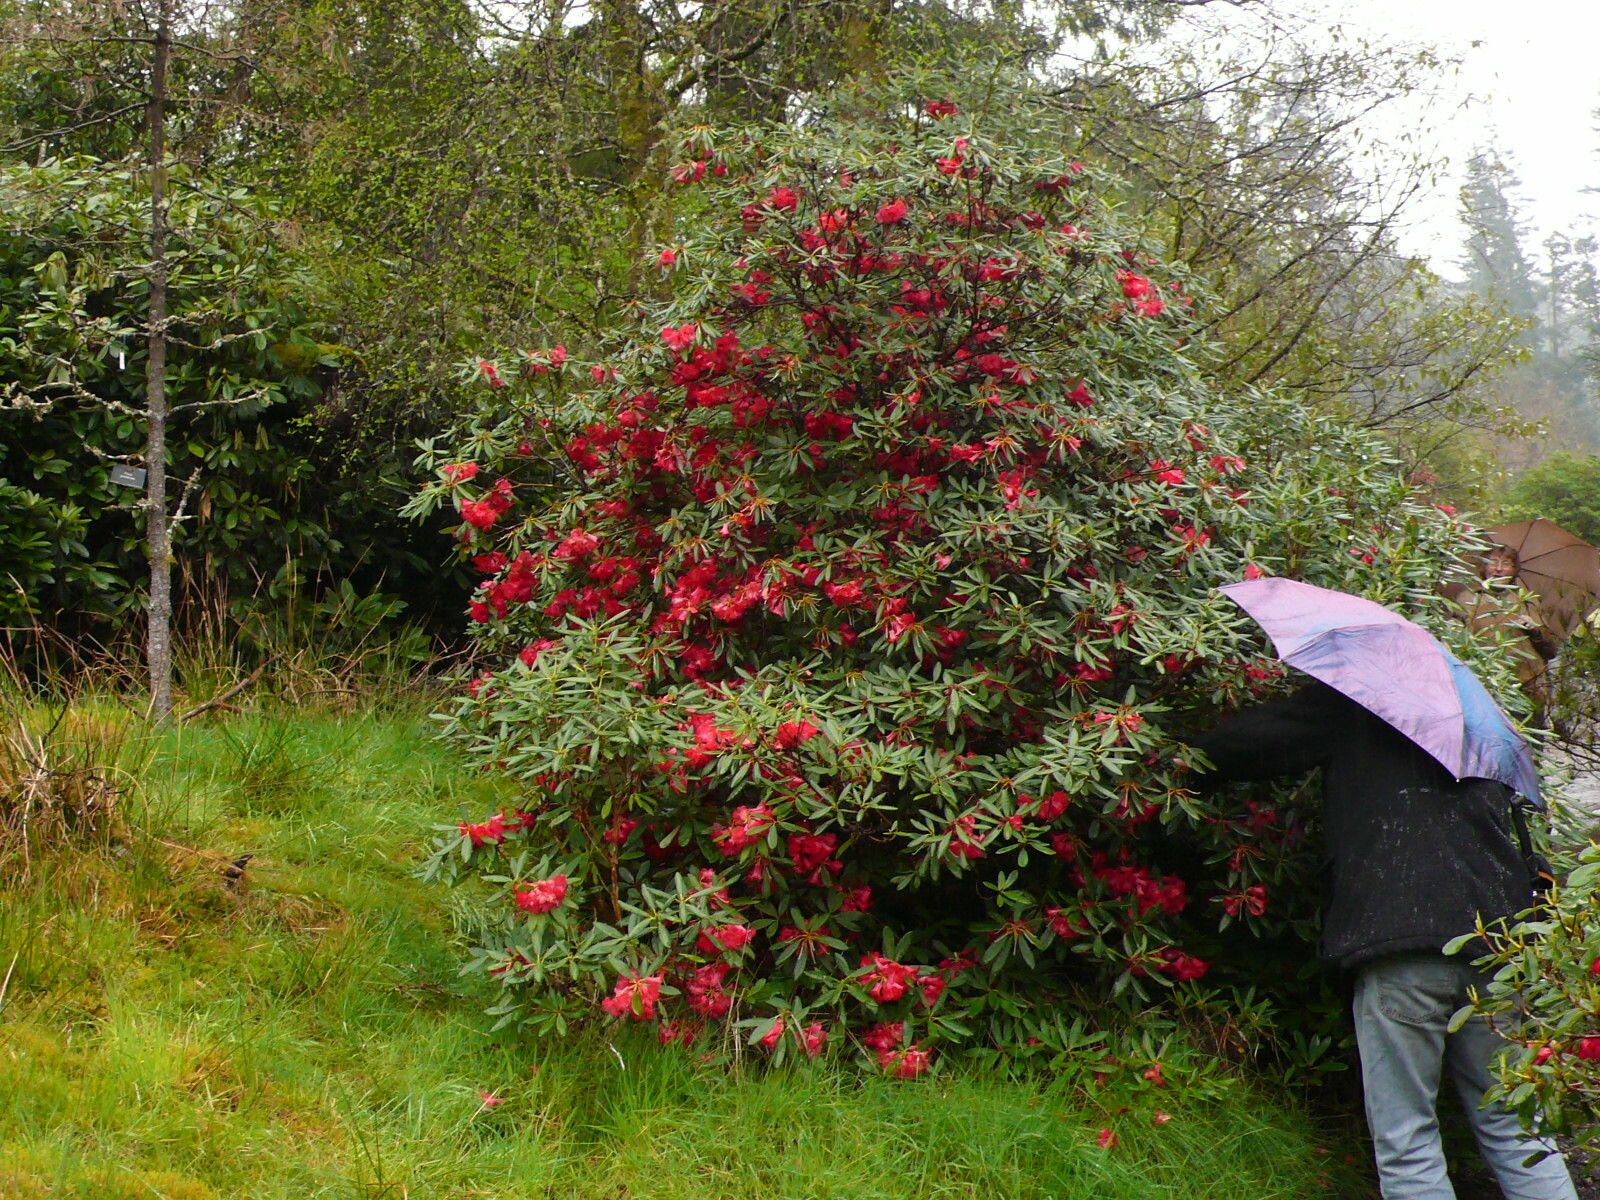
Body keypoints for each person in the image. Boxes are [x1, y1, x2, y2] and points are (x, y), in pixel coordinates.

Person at [1186, 680, 1578, 1200]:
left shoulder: (1359, 699)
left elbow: (1246, 745)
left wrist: (1180, 758)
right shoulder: (1476, 724)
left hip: (1401, 948)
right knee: (1518, 1131)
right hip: (1497, 948)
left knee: (1408, 1142)